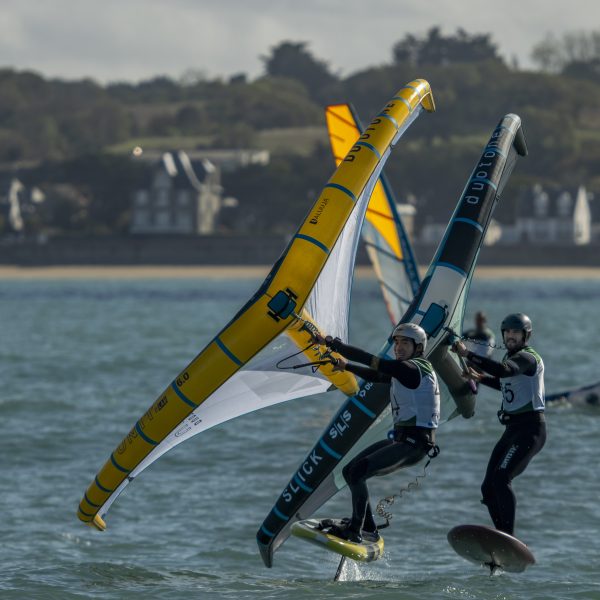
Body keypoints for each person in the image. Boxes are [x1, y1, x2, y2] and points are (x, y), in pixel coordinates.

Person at [313, 323, 440, 543]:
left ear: (418, 347)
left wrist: (331, 343)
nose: (399, 347)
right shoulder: (407, 372)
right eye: (397, 343)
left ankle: (354, 530)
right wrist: (345, 366)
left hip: (414, 445)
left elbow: (370, 359)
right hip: (402, 442)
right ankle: (367, 526)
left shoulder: (411, 369)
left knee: (358, 473)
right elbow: (376, 376)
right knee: (350, 471)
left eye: (405, 343)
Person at [452, 313, 546, 537]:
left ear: (526, 335)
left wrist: (468, 354)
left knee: (502, 479)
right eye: (508, 332)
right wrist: (481, 378)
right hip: (512, 430)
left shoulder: (527, 358)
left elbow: (506, 372)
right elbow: (505, 381)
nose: (511, 336)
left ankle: (508, 536)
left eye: (516, 332)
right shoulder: (511, 358)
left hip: (531, 430)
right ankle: (500, 536)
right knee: (488, 486)